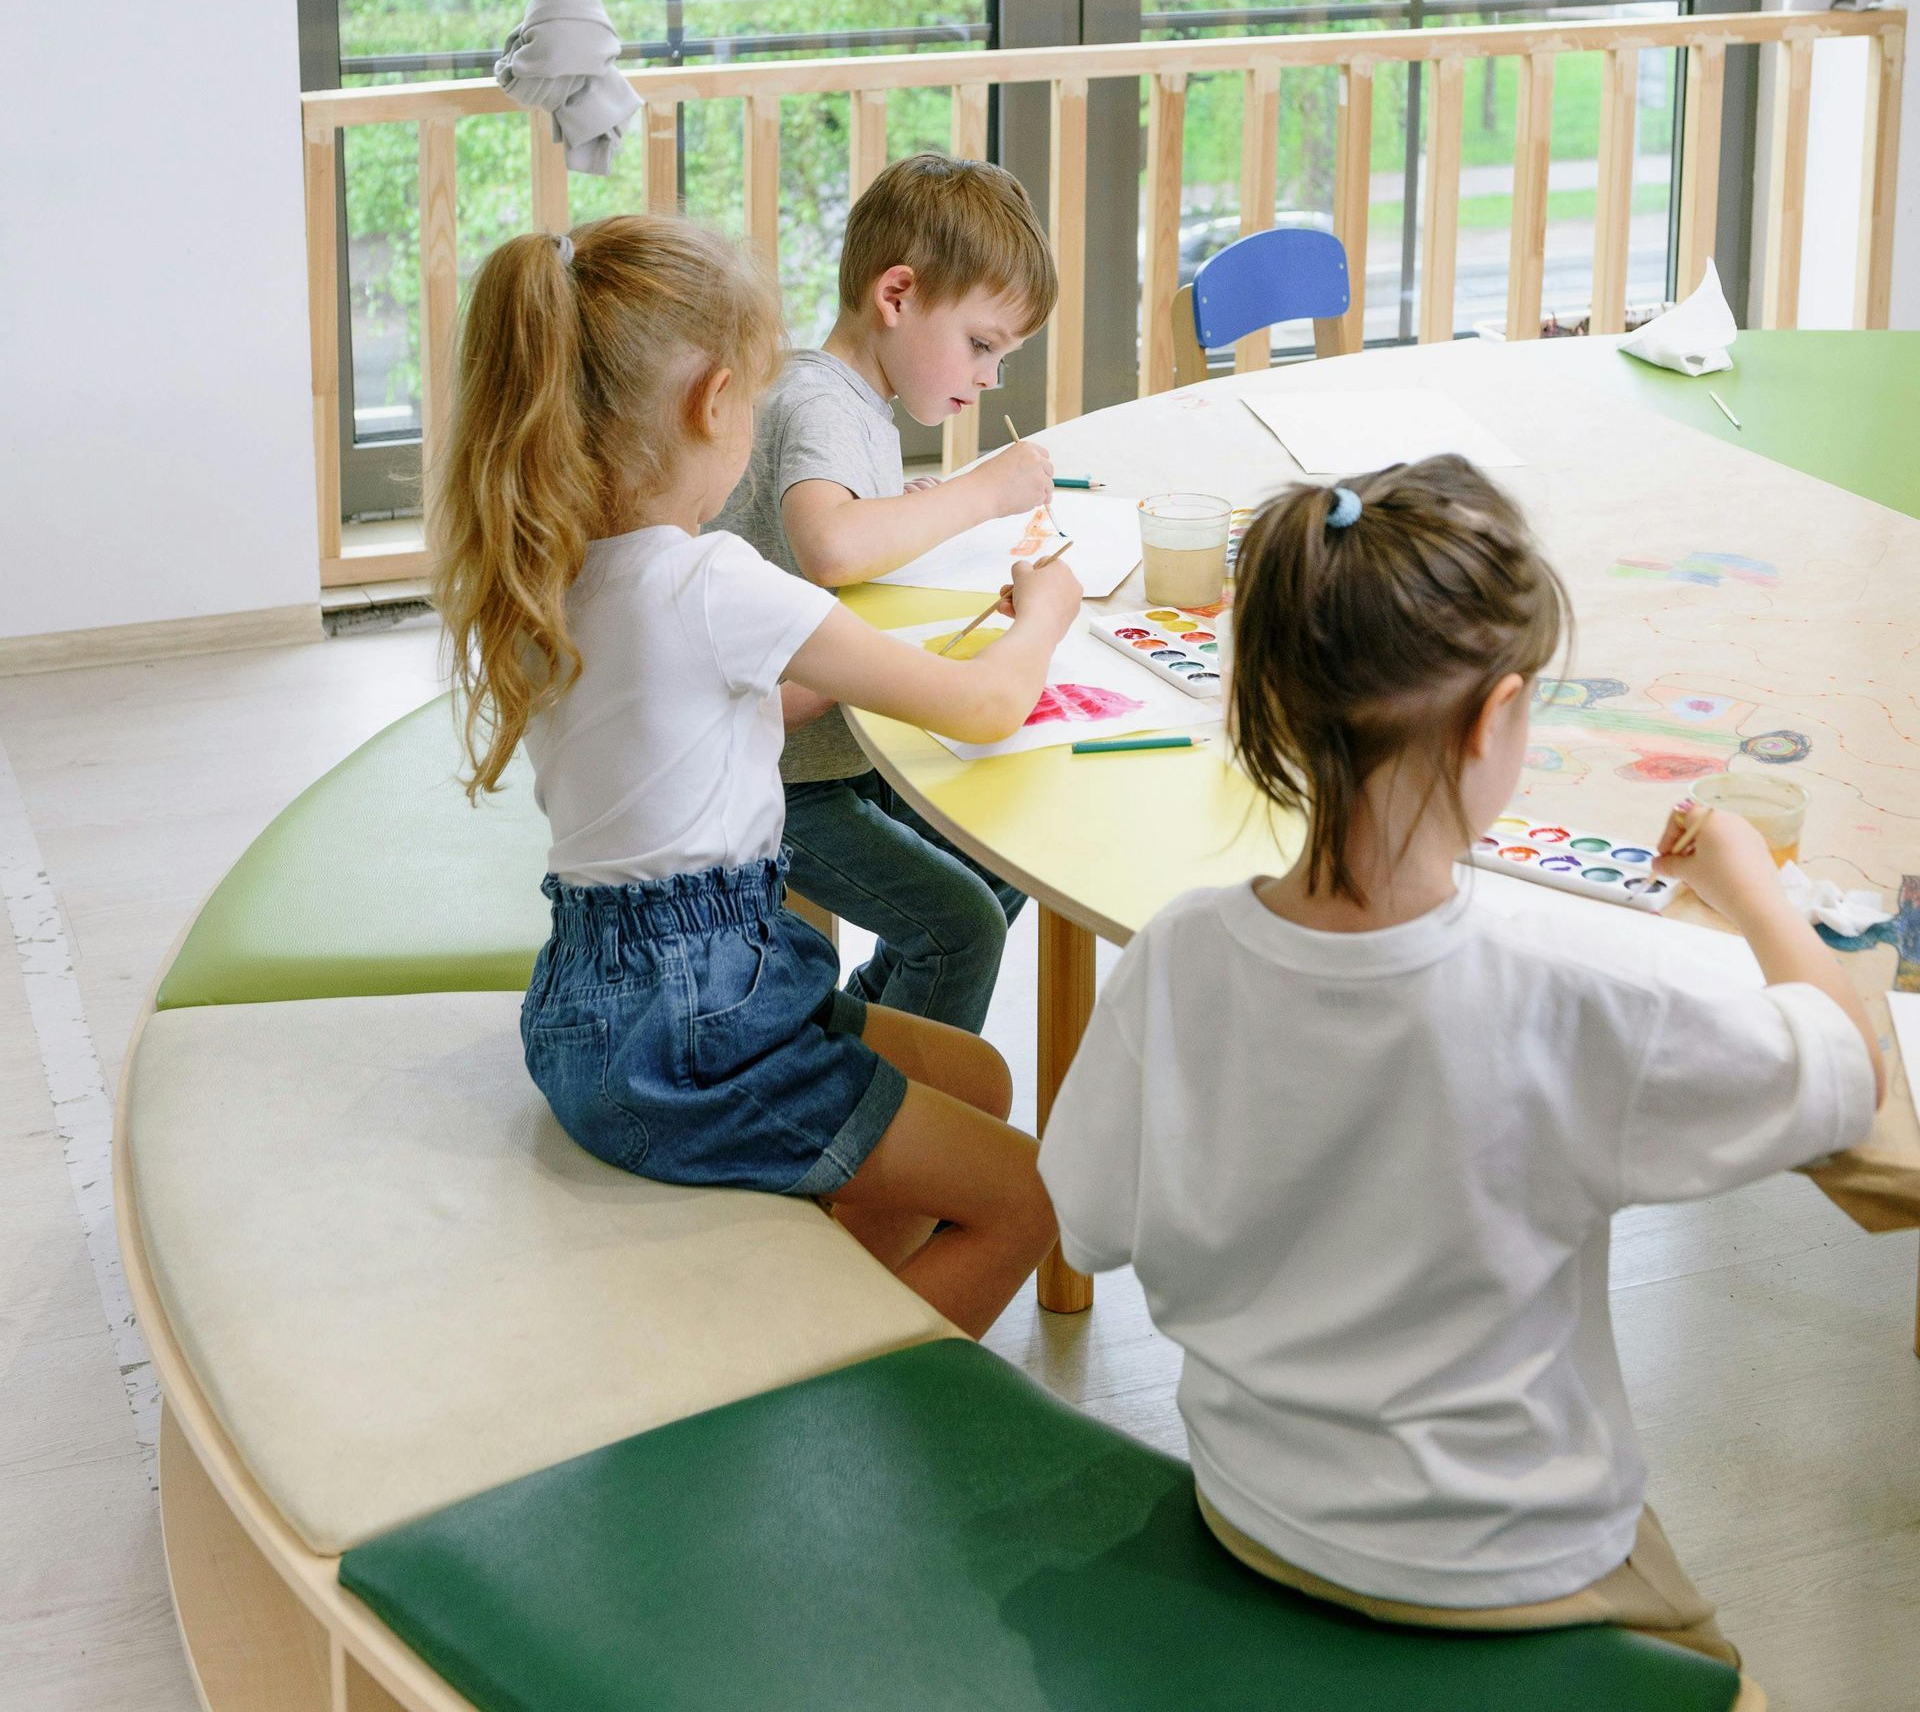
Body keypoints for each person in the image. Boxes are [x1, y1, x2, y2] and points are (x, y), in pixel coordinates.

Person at [1038, 457, 1879, 1686]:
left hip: (1257, 1507)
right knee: (1724, 1672)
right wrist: (1750, 881)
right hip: (1513, 1565)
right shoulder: (1576, 987)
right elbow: (1846, 1066)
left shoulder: (1176, 957)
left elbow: (1088, 1219)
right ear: (1497, 718)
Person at [433, 212, 1074, 1337]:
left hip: (596, 1011)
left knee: (973, 1079)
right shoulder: (713, 580)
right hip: (701, 1031)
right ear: (716, 401)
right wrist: (1045, 616)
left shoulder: (547, 573)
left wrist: (844, 670)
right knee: (1028, 1195)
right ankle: (838, 1393)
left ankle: (824, 1311)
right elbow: (987, 706)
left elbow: (685, 722)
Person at [714, 152, 1059, 1032]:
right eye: (982, 345)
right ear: (896, 296)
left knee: (1009, 846)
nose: (989, 378)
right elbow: (830, 546)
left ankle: (859, 1038)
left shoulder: (857, 404)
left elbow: (844, 533)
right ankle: (893, 1108)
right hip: (789, 779)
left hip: (846, 748)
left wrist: (906, 516)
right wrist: (979, 493)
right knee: (961, 931)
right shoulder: (822, 402)